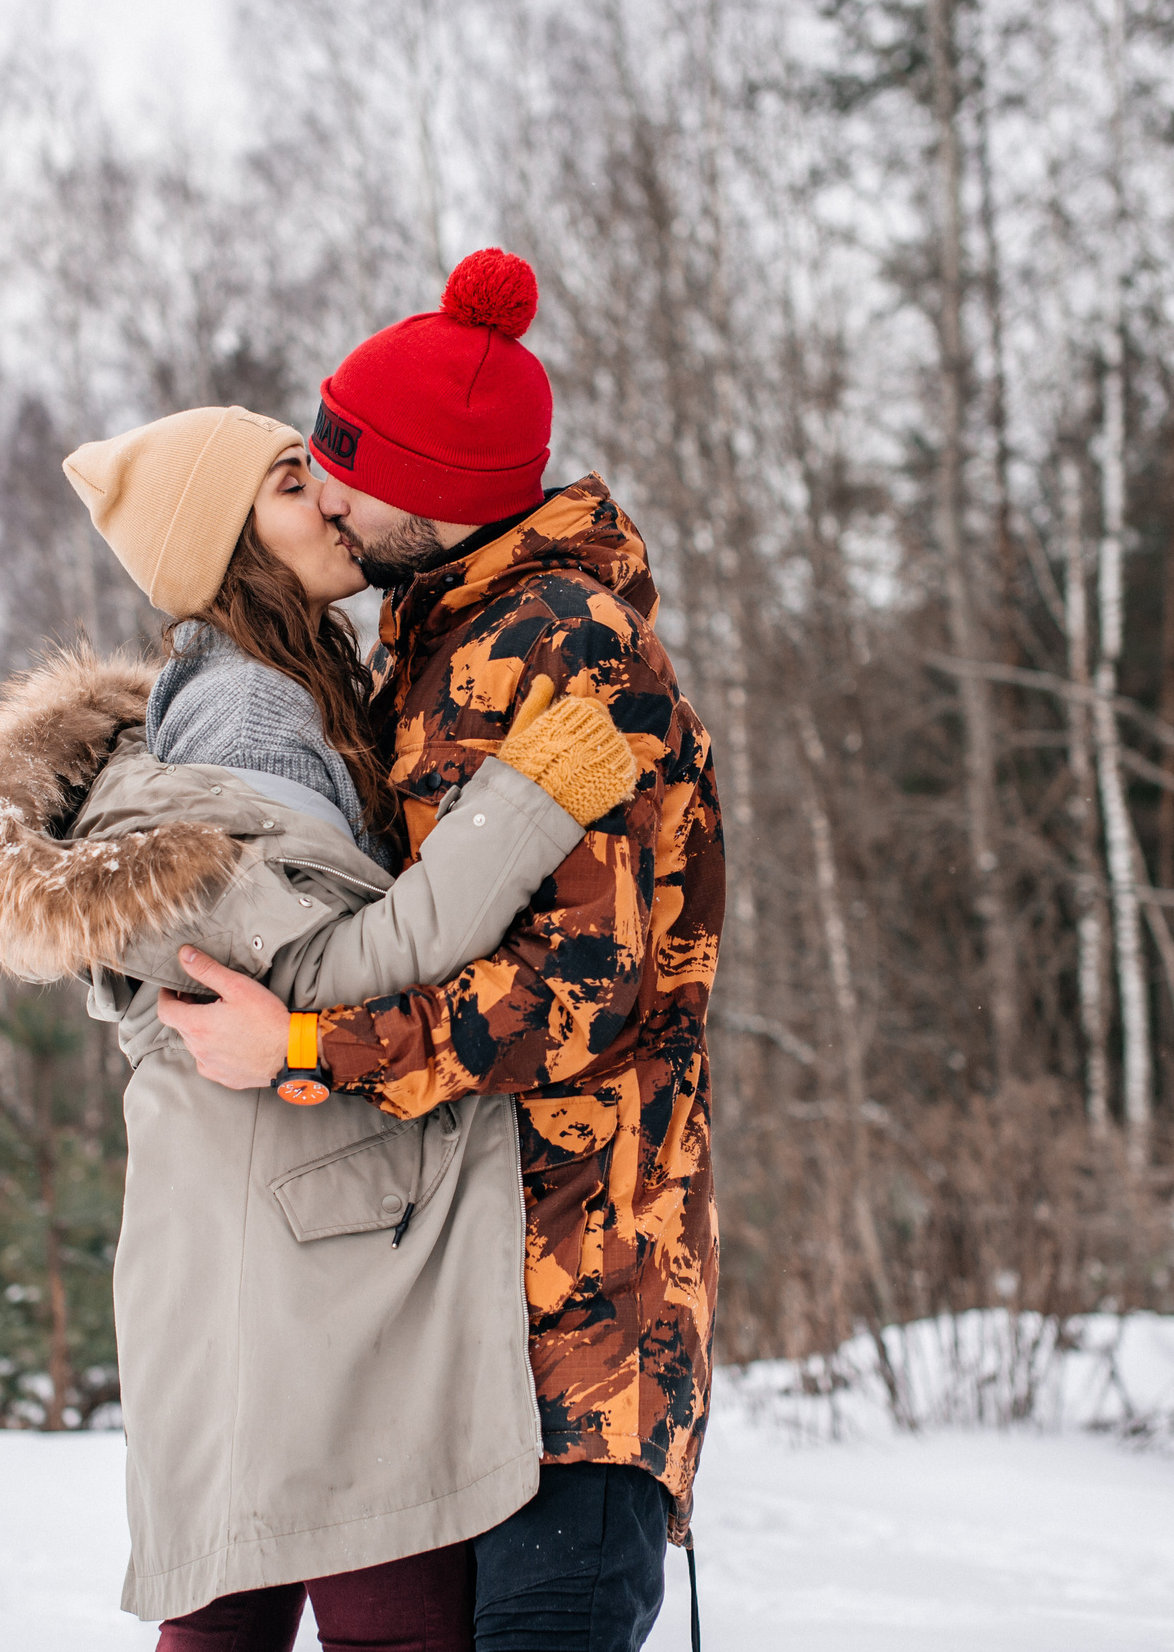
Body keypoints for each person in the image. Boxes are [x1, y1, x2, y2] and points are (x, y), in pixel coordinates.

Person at [0, 403, 640, 1650]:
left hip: (256, 1221)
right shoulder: (252, 713)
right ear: (229, 544)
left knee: (232, 1614)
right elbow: (320, 972)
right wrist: (528, 802)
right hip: (302, 1231)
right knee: (384, 1622)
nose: (337, 498)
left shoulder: (278, 692)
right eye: (296, 484)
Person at [159, 251, 726, 1652]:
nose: (329, 492)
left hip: (575, 1327)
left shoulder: (561, 646)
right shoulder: (427, 639)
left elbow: (579, 1001)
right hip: (452, 1317)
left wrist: (301, 1049)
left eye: (347, 468)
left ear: (441, 491)